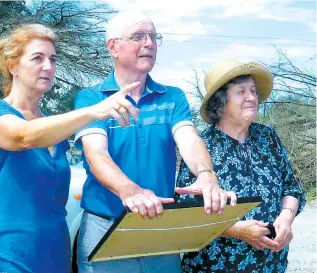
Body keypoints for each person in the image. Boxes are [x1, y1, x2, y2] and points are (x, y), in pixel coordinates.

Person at [0, 24, 140, 273]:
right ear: (13, 66)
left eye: (53, 59)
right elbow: (23, 136)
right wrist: (93, 111)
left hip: (53, 257)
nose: (48, 66)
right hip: (6, 256)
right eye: (37, 58)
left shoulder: (54, 128)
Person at [73, 12, 237, 273]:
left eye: (153, 37)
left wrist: (207, 175)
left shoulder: (172, 97)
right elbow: (96, 156)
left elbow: (189, 140)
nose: (149, 43)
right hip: (106, 227)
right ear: (113, 47)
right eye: (138, 36)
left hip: (159, 228)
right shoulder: (91, 98)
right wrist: (130, 191)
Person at [176, 58, 306, 273]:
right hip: (216, 266)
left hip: (271, 264)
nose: (251, 98)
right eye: (241, 92)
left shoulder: (268, 138)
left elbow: (291, 188)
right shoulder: (201, 147)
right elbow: (187, 211)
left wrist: (286, 217)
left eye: (253, 91)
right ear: (220, 101)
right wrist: (238, 231)